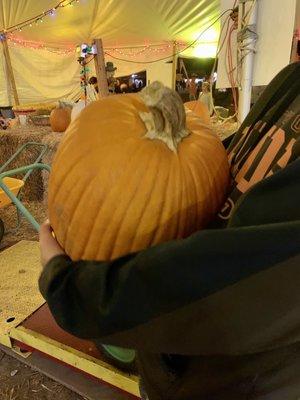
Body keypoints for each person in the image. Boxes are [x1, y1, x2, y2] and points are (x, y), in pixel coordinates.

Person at [39, 62, 300, 400]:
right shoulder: (290, 80)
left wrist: (71, 289)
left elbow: (263, 277)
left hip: (235, 385)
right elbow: (241, 170)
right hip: (173, 365)